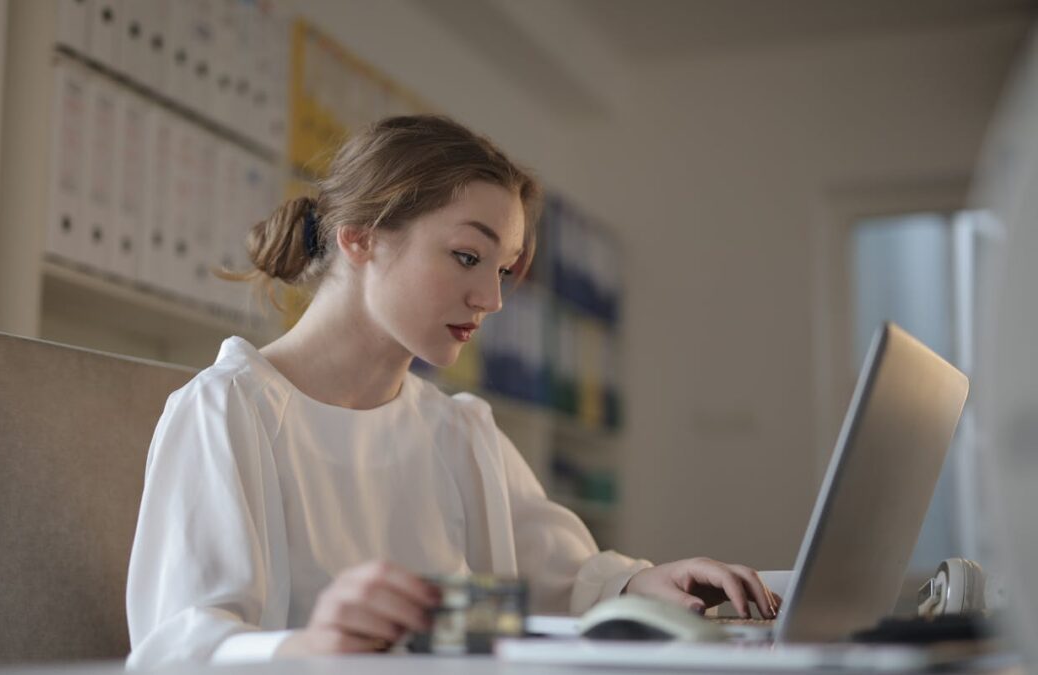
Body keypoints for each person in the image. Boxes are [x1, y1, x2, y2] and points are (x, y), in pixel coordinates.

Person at [125, 115, 779, 668]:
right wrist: (310, 646)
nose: (492, 299)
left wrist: (643, 583)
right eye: (469, 256)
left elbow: (566, 577)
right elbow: (175, 649)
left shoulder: (458, 431)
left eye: (502, 270)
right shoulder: (228, 411)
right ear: (360, 237)